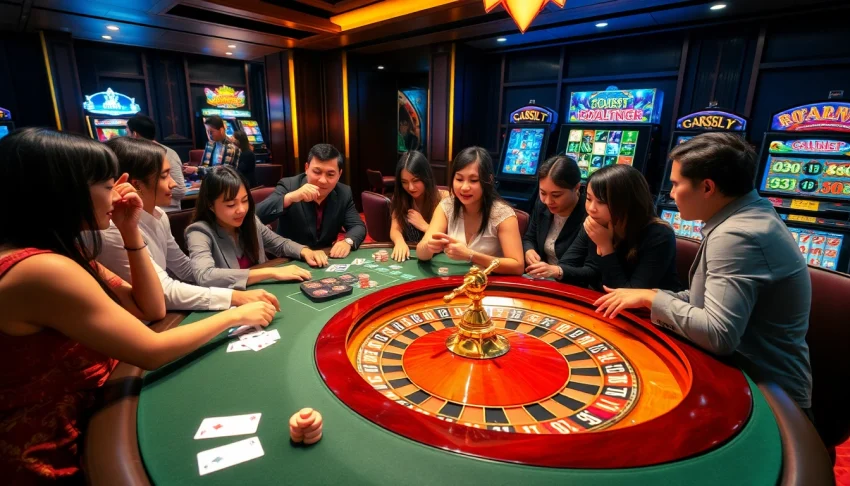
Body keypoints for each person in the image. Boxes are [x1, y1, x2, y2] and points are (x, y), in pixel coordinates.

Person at [0, 128, 277, 484]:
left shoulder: (67, 252)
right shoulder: (42, 269)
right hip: (53, 453)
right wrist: (235, 314)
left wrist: (130, 230)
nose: (118, 194)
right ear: (65, 192)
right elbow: (151, 350)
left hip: (93, 410)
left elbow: (151, 309)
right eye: (107, 185)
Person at [595, 132, 813, 412]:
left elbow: (719, 335)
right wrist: (651, 295)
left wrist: (651, 299)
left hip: (769, 397)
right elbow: (705, 300)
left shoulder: (737, 234)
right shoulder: (752, 213)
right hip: (743, 375)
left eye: (676, 184)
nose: (671, 193)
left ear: (708, 187)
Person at [97, 137, 280, 312]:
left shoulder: (159, 215)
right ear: (136, 185)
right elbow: (165, 291)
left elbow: (185, 269)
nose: (174, 183)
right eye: (165, 176)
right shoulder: (113, 230)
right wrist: (234, 297)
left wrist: (232, 279)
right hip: (143, 323)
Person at [186, 166, 321, 289]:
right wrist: (271, 272)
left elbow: (279, 244)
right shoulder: (198, 232)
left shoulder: (250, 220)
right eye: (231, 205)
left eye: (245, 200)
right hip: (233, 302)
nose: (241, 210)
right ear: (210, 205)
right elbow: (204, 276)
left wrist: (304, 251)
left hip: (263, 292)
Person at [556, 164, 681, 290]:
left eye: (602, 202)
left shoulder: (659, 234)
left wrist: (606, 247)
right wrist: (557, 271)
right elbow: (572, 266)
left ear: (627, 202)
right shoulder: (597, 222)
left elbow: (629, 294)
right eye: (588, 199)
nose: (591, 208)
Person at [416, 146, 524, 275]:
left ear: (488, 180)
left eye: (473, 180)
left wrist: (470, 255)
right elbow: (421, 254)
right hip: (454, 279)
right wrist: (429, 247)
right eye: (459, 179)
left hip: (490, 282)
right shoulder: (447, 206)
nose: (464, 187)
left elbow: (517, 266)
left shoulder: (503, 214)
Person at [256, 143, 366, 259]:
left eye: (330, 174)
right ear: (306, 168)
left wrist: (347, 241)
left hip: (325, 257)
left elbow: (357, 226)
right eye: (317, 172)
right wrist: (289, 198)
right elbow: (256, 216)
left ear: (339, 174)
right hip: (289, 258)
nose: (323, 180)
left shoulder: (343, 192)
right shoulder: (289, 185)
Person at [523, 155, 586, 280]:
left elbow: (592, 270)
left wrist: (556, 271)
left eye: (556, 195)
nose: (547, 201)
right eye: (543, 193)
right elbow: (529, 237)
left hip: (573, 283)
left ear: (576, 188)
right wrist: (529, 250)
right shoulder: (542, 205)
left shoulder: (588, 214)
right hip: (542, 279)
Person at [389, 151, 448, 262]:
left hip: (441, 258)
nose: (410, 187)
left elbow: (451, 238)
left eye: (415, 180)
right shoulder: (401, 198)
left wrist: (424, 226)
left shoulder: (444, 198)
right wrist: (399, 242)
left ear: (426, 177)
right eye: (404, 182)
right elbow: (395, 229)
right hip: (412, 257)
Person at [126, 114, 186, 212]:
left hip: (168, 211)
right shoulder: (132, 156)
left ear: (135, 134)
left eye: (127, 132)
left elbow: (180, 190)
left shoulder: (167, 153)